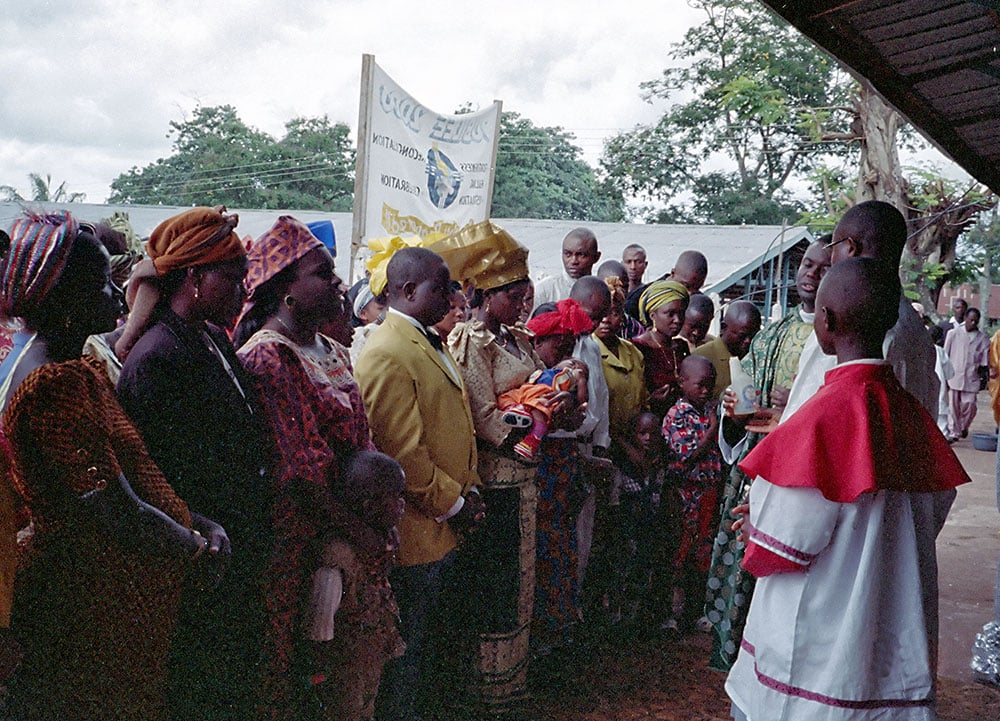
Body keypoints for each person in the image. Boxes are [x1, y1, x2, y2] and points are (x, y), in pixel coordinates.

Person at [0, 212, 225, 720]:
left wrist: (197, 520)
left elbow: (138, 468)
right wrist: (193, 546)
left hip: (108, 595)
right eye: (100, 280)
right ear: (59, 292)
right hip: (86, 605)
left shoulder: (75, 366)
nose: (116, 289)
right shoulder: (51, 387)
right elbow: (114, 508)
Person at [725, 258, 969, 721]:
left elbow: (784, 545)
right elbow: (934, 508)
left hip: (817, 646)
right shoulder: (908, 409)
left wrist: (756, 525)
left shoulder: (825, 414)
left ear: (827, 321)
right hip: (887, 631)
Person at [116, 206, 272, 721]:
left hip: (236, 544)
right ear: (193, 278)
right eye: (232, 278)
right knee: (200, 688)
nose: (242, 292)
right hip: (200, 558)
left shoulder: (210, 338)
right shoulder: (157, 357)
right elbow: (156, 476)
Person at [232, 216, 378, 719]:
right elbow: (299, 473)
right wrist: (361, 533)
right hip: (303, 547)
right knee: (305, 675)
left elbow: (362, 440)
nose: (337, 283)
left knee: (354, 671)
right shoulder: (270, 357)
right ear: (285, 291)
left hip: (354, 532)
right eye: (322, 272)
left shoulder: (333, 348)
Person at [354, 246, 484, 721]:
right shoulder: (388, 352)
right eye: (442, 285)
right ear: (407, 291)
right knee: (405, 663)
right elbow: (402, 453)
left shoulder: (430, 341)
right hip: (415, 536)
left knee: (429, 659)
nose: (453, 295)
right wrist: (455, 503)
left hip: (442, 530)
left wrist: (468, 493)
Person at [440, 221, 552, 715]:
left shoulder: (519, 340)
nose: (522, 303)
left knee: (520, 580)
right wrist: (531, 419)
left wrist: (553, 404)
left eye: (525, 293)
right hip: (497, 476)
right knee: (496, 584)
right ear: (486, 293)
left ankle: (512, 684)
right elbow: (483, 415)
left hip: (526, 476)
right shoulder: (472, 342)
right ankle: (485, 693)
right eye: (513, 294)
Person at [705, 238, 831, 671]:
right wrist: (735, 411)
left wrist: (793, 403)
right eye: (806, 264)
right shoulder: (771, 334)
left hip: (800, 465)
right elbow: (745, 400)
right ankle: (732, 647)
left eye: (822, 267)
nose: (810, 273)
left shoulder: (833, 342)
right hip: (758, 457)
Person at [782, 201, 940, 420]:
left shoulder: (849, 326)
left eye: (833, 248)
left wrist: (786, 429)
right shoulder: (916, 330)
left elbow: (812, 423)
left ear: (850, 247)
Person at [304, 450, 406, 721]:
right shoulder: (338, 557)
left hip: (367, 658)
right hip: (342, 666)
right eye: (396, 498)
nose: (402, 505)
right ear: (370, 507)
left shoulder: (378, 544)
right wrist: (319, 675)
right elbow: (320, 627)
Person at [522, 300, 592, 652]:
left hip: (557, 463)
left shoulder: (570, 371)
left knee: (555, 542)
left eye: (567, 344)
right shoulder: (530, 370)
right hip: (546, 461)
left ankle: (554, 627)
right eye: (556, 343)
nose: (562, 350)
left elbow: (578, 412)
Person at [662, 355, 721, 632]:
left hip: (708, 493)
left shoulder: (711, 410)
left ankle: (696, 613)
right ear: (682, 382)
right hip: (685, 494)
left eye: (710, 384)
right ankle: (669, 616)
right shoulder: (678, 415)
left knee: (702, 554)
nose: (706, 390)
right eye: (700, 385)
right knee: (678, 552)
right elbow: (687, 456)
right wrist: (711, 431)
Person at [499, 357, 588, 462]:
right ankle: (516, 410)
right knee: (505, 398)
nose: (574, 366)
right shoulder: (544, 370)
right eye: (572, 362)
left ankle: (535, 434)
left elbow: (582, 398)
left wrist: (581, 380)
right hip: (526, 390)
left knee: (538, 407)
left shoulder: (571, 374)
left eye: (576, 365)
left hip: (544, 392)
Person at [631, 280, 691, 418]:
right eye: (670, 314)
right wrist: (652, 401)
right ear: (652, 315)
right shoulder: (637, 347)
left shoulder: (681, 346)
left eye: (681, 314)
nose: (677, 320)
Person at [694, 300, 762, 399]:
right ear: (723, 328)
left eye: (753, 335)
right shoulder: (700, 358)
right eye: (742, 335)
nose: (748, 341)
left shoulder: (760, 359)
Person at [944, 306, 989, 441]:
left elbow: (984, 363)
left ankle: (963, 426)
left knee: (970, 405)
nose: (973, 323)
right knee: (953, 407)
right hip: (954, 376)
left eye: (976, 321)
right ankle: (954, 432)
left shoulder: (983, 339)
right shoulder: (953, 334)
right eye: (971, 320)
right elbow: (945, 355)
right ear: (965, 319)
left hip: (971, 378)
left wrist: (984, 380)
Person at [625, 249, 707, 323]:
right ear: (673, 273)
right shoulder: (638, 299)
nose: (689, 294)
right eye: (685, 286)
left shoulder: (699, 305)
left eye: (696, 288)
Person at [533, 227, 600, 309]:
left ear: (596, 257)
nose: (574, 261)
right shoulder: (544, 290)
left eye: (581, 255)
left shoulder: (601, 291)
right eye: (568, 254)